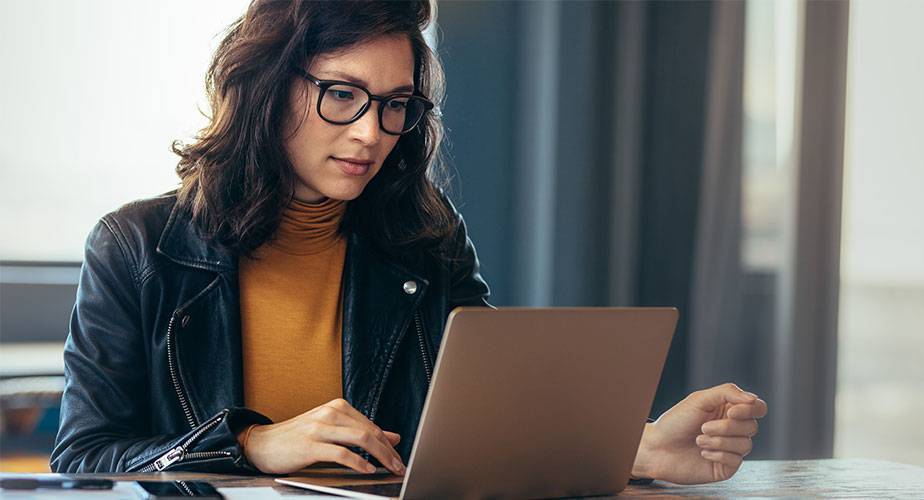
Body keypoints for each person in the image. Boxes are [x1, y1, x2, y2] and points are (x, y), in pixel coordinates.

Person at [50, 0, 767, 485]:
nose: (371, 132)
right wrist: (248, 446)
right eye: (342, 94)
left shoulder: (424, 236)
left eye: (396, 105)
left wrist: (635, 447)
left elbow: (487, 423)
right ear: (266, 85)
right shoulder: (137, 247)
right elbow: (84, 461)